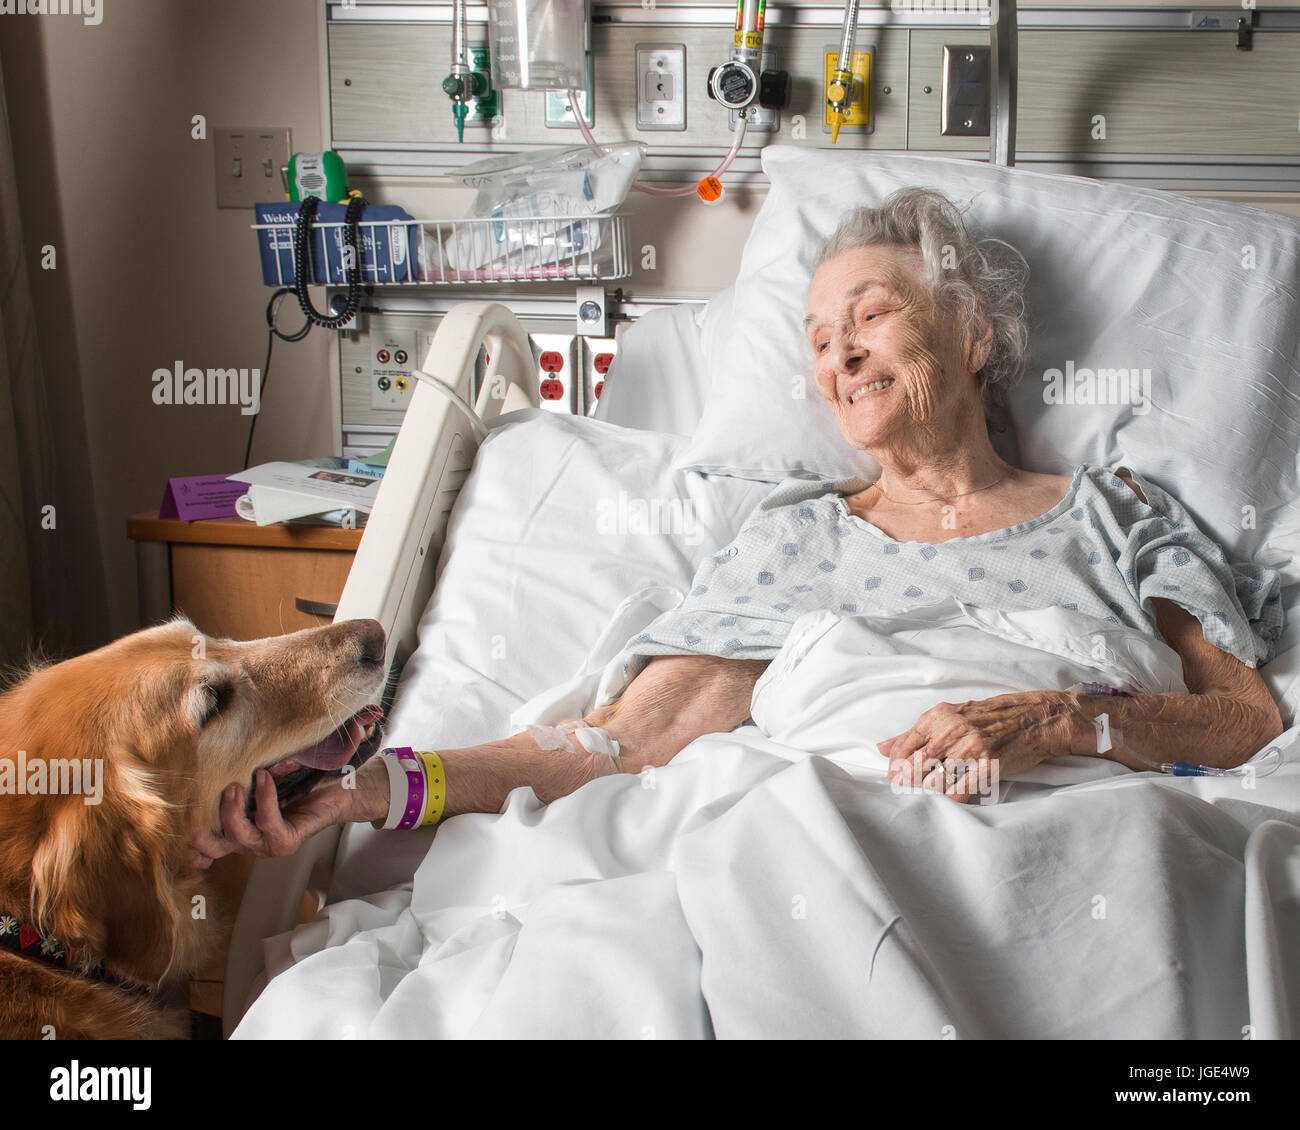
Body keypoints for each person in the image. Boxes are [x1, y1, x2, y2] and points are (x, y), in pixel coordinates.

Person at [190, 187, 1284, 867]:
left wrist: (1058, 717)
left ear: (974, 332)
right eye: (817, 339)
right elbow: (618, 746)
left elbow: (1242, 717)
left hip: (1078, 834)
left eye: (871, 315)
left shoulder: (1115, 514)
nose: (839, 354)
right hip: (835, 842)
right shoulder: (799, 537)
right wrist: (364, 788)